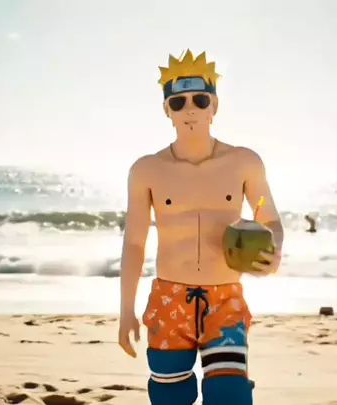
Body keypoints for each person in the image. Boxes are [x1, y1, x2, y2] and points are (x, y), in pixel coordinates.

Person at [118, 50, 283, 405]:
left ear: (214, 106)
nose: (189, 109)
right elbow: (134, 242)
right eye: (178, 102)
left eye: (200, 99)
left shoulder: (243, 162)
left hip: (225, 298)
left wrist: (275, 252)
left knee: (229, 396)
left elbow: (268, 218)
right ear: (167, 110)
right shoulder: (146, 170)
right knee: (170, 397)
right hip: (168, 299)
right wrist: (125, 310)